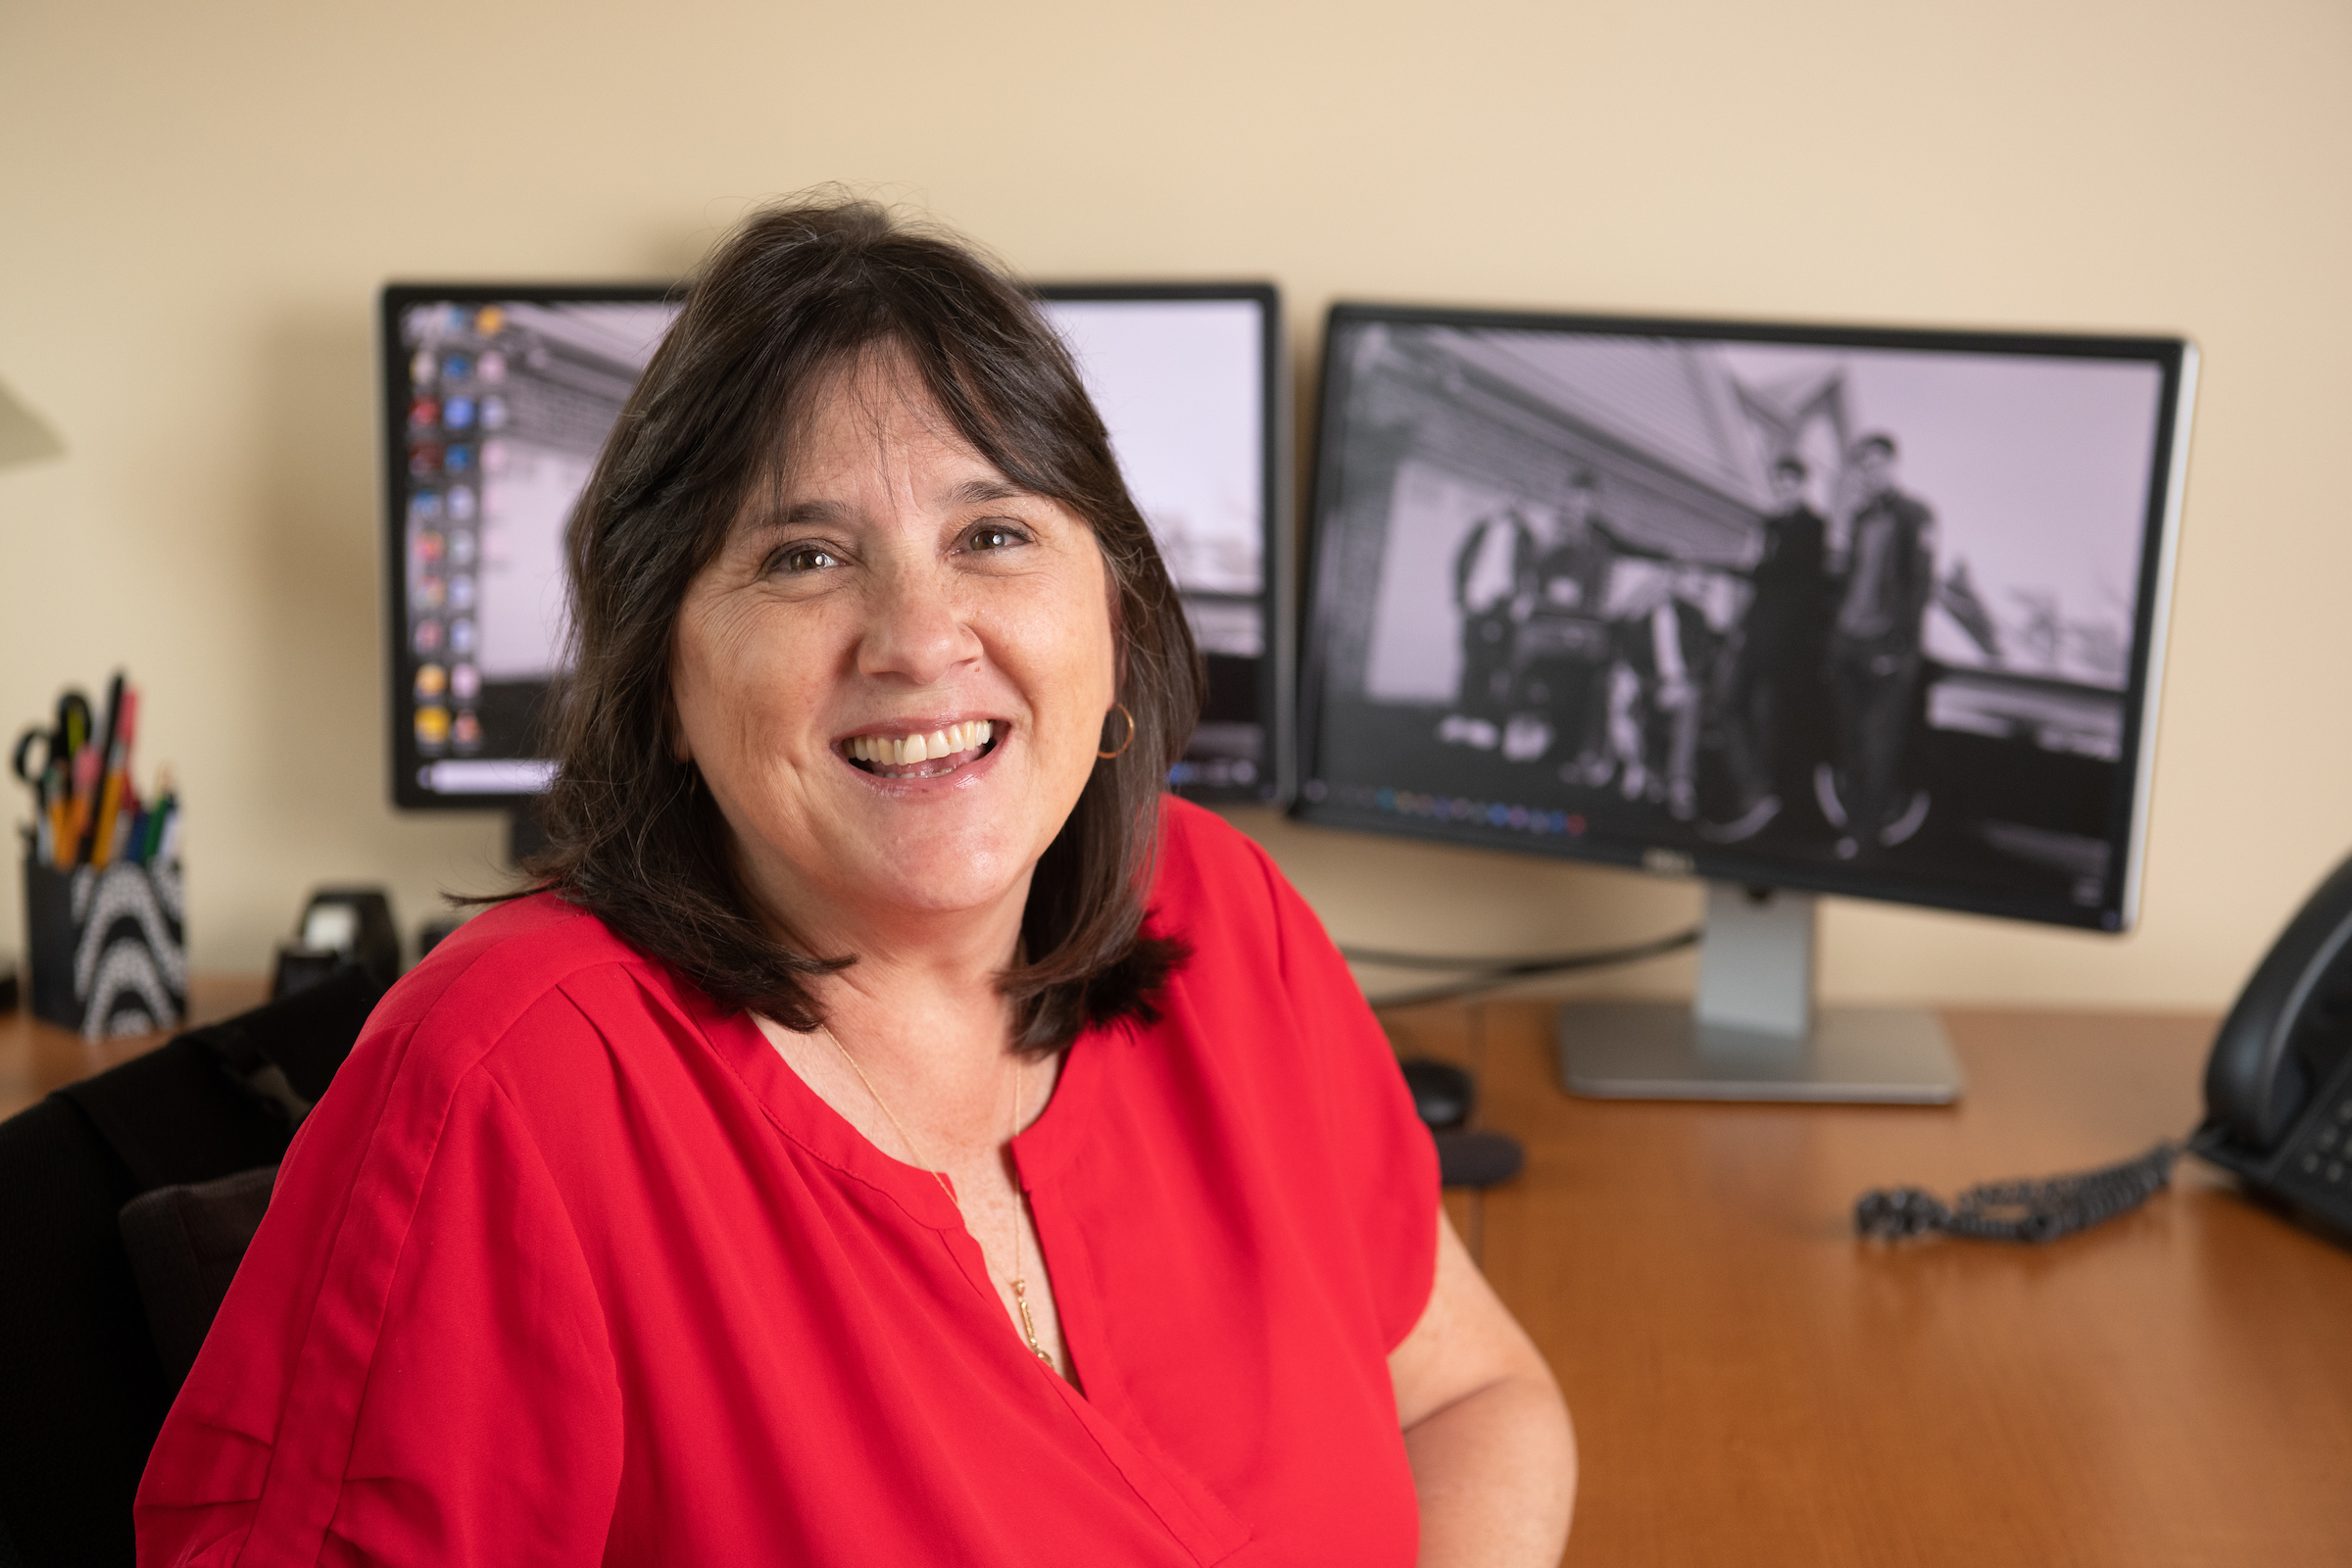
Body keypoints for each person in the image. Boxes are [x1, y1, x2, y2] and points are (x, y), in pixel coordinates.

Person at [135, 202, 1575, 1566]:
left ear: (1114, 609)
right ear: (665, 672)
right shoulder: (501, 1087)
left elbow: (1471, 1399)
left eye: (992, 534)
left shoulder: (1215, 909)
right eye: (805, 556)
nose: (919, 636)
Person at [1822, 432, 1936, 857]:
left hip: (1885, 648)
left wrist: (1900, 647)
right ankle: (1851, 826)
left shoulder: (1915, 515)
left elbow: (1919, 587)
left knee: (1877, 742)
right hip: (1849, 643)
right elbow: (1846, 581)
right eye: (1861, 467)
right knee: (1848, 740)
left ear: (1891, 464)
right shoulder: (1858, 519)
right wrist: (1836, 637)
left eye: (1875, 465)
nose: (1868, 474)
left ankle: (1863, 835)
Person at [1707, 456, 1830, 845]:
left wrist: (1736, 565)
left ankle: (1764, 805)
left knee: (1766, 721)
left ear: (1803, 485)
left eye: (1790, 484)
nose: (1783, 491)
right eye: (1778, 485)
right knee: (1727, 703)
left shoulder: (1812, 528)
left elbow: (1784, 577)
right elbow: (1759, 584)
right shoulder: (1770, 526)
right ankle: (1755, 793)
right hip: (1756, 636)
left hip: (1786, 649)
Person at [1513, 469, 1619, 775]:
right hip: (1547, 624)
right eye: (1576, 500)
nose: (1581, 507)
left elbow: (1599, 590)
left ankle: (1569, 753)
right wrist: (1547, 589)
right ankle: (1528, 739)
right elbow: (1533, 571)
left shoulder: (1599, 544)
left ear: (1595, 505)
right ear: (1567, 498)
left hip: (1580, 627)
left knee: (1577, 691)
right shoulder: (1550, 534)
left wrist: (1585, 608)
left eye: (1588, 502)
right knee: (1539, 684)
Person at [1441, 502, 1538, 751]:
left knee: (1494, 665)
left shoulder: (1525, 535)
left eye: (1516, 497)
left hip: (1503, 606)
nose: (1509, 501)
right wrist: (1462, 595)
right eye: (1505, 494)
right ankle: (1462, 718)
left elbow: (1531, 570)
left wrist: (1523, 599)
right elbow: (1461, 559)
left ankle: (1483, 722)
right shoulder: (1481, 527)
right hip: (1477, 603)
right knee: (1471, 661)